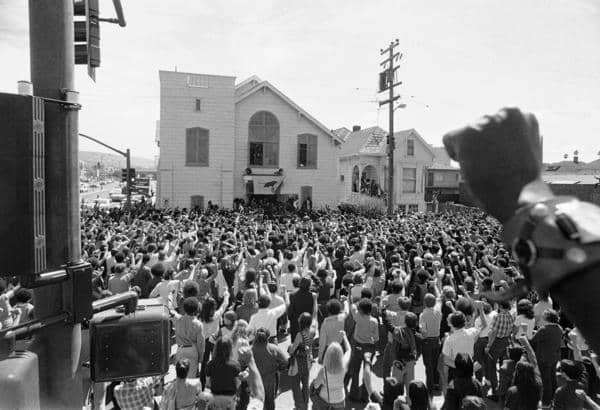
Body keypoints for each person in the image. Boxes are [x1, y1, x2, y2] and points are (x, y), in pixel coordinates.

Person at [530, 308, 563, 407]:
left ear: (547, 318)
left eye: (543, 316)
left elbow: (533, 341)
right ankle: (554, 398)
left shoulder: (544, 329)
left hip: (544, 358)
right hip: (554, 357)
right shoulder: (559, 328)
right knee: (553, 378)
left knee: (546, 381)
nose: (542, 317)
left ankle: (546, 403)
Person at [311, 331, 351, 410]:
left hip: (325, 400)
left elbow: (316, 385)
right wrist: (344, 337)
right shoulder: (344, 365)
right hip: (340, 399)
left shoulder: (324, 370)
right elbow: (349, 350)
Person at [199, 291, 230, 388]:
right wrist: (226, 294)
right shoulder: (216, 315)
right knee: (217, 361)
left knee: (204, 363)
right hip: (215, 341)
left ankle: (202, 383)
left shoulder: (200, 318)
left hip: (204, 341)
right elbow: (225, 304)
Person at [251, 328, 288, 410]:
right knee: (270, 402)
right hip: (270, 381)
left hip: (255, 381)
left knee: (256, 403)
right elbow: (286, 362)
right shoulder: (273, 349)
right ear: (268, 337)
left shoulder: (251, 350)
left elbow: (242, 363)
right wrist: (278, 368)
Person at [173, 297, 205, 379]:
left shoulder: (177, 320)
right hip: (192, 351)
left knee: (180, 378)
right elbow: (200, 343)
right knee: (191, 380)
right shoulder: (198, 324)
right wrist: (201, 357)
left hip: (180, 350)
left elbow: (173, 313)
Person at [205, 336, 241, 408]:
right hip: (230, 398)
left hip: (215, 396)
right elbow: (238, 383)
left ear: (216, 348)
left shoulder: (210, 364)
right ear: (230, 349)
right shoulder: (235, 365)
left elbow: (208, 383)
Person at [289, 312, 315, 410]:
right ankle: (306, 404)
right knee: (305, 384)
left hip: (298, 363)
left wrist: (290, 348)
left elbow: (292, 350)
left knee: (295, 384)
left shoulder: (300, 335)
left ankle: (300, 406)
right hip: (308, 361)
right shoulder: (312, 332)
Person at [419, 293, 442, 392]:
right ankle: (436, 383)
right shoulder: (438, 312)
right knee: (436, 363)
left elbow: (423, 331)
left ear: (424, 303)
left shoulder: (423, 315)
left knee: (428, 365)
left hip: (427, 342)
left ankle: (430, 386)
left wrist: (420, 336)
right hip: (437, 340)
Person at [318, 299, 346, 363]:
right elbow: (346, 311)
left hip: (328, 349)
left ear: (328, 311)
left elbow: (322, 341)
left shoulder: (325, 322)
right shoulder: (342, 318)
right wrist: (345, 302)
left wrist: (320, 356)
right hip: (340, 348)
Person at [288, 277, 316, 342]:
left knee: (295, 340)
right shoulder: (312, 295)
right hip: (307, 321)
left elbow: (290, 309)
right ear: (309, 285)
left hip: (295, 321)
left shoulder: (292, 295)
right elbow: (314, 309)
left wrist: (290, 318)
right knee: (306, 341)